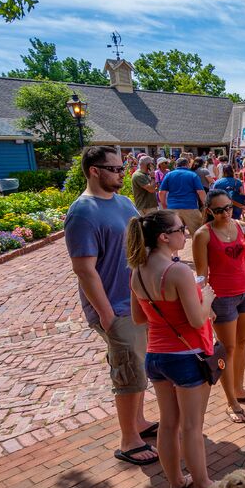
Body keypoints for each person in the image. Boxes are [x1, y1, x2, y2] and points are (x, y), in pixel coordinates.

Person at [64, 146, 158, 467]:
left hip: (136, 299)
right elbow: (84, 269)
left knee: (140, 365)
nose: (122, 173)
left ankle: (140, 423)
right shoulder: (82, 212)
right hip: (114, 307)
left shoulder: (125, 203)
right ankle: (128, 440)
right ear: (94, 170)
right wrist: (105, 314)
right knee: (127, 369)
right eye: (116, 169)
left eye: (123, 167)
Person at [126, 209, 215, 488]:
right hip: (187, 355)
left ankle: (176, 482)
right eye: (180, 229)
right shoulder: (178, 271)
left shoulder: (137, 270)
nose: (185, 233)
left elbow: (140, 318)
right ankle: (202, 484)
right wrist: (208, 298)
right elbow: (195, 319)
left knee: (168, 423)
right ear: (164, 236)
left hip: (157, 356)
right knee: (192, 426)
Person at [193, 189, 245, 424]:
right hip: (222, 297)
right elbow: (201, 274)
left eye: (229, 208)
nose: (225, 213)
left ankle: (240, 390)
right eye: (220, 209)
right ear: (209, 211)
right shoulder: (203, 235)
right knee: (227, 349)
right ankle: (231, 401)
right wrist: (206, 302)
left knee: (242, 344)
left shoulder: (241, 227)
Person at [158, 157, 206, 237]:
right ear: (187, 165)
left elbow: (162, 192)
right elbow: (200, 192)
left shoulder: (169, 175)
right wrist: (205, 205)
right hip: (190, 207)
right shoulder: (192, 175)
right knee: (198, 234)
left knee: (174, 236)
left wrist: (164, 205)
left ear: (176, 165)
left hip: (173, 208)